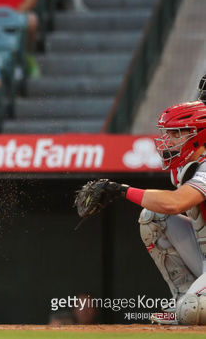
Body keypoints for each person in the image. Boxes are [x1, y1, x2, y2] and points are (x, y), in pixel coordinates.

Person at [76, 101, 206, 325]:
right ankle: (183, 296)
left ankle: (190, 304)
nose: (169, 140)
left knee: (192, 312)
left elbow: (176, 202)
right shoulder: (186, 165)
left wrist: (121, 190)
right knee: (152, 217)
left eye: (176, 133)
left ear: (199, 136)